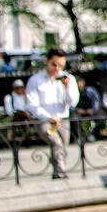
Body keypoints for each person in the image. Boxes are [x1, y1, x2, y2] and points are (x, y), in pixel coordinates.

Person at [25, 47, 78, 179]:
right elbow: (32, 105)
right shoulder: (35, 80)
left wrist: (66, 88)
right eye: (54, 64)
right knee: (56, 143)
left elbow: (73, 102)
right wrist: (48, 117)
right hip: (44, 120)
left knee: (63, 148)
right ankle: (61, 172)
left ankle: (57, 169)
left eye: (60, 65)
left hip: (63, 118)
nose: (57, 68)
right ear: (46, 61)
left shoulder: (68, 78)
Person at [73, 76, 101, 144]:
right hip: (78, 111)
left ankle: (92, 134)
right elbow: (70, 105)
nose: (79, 84)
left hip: (90, 110)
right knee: (73, 118)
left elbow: (96, 100)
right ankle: (79, 136)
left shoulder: (90, 90)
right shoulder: (73, 92)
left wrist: (93, 109)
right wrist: (76, 110)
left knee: (101, 116)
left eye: (80, 82)